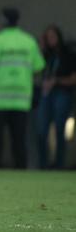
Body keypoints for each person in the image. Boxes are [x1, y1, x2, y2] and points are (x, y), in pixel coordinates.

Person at [0, 8, 44, 169]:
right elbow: (39, 66)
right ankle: (20, 170)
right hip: (20, 99)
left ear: (3, 22)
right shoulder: (29, 41)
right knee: (19, 140)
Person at [36, 25, 75, 169]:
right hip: (46, 94)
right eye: (47, 37)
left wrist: (56, 81)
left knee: (60, 129)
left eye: (52, 36)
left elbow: (73, 78)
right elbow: (36, 71)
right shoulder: (45, 55)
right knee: (41, 130)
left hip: (62, 94)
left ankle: (59, 164)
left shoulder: (68, 54)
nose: (50, 39)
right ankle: (43, 164)